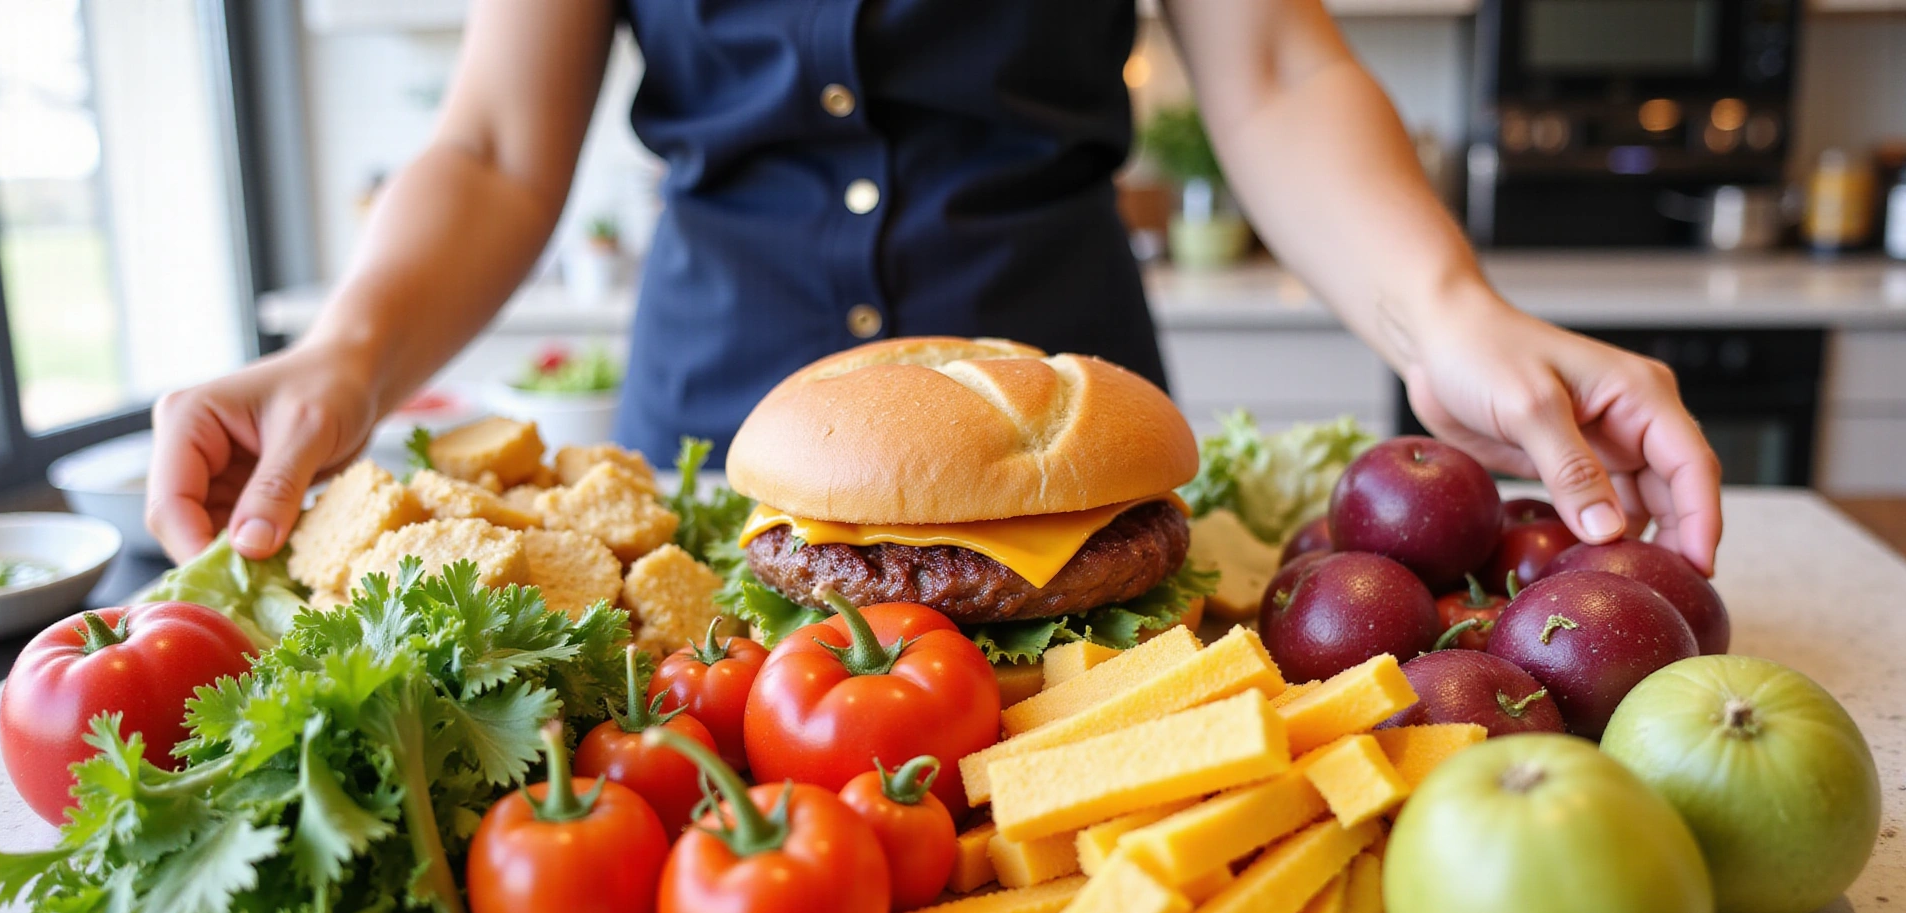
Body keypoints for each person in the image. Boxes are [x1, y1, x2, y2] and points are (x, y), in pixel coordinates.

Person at [146, 0, 1722, 575]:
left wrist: (1452, 314)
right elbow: (494, 143)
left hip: (1075, 479)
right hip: (720, 482)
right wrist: (345, 353)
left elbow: (1276, 69)